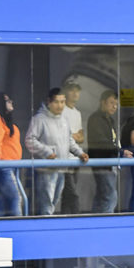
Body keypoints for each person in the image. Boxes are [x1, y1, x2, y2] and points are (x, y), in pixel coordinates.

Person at [24, 87, 89, 216]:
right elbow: (29, 140)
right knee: (46, 202)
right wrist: (47, 152)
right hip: (47, 169)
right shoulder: (39, 119)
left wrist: (79, 153)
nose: (60, 105)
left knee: (54, 200)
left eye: (62, 102)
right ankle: (45, 225)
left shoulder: (64, 120)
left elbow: (69, 140)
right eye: (57, 102)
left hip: (62, 167)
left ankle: (48, 224)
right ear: (49, 102)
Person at [86, 89, 130, 213]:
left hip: (110, 163)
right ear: (102, 103)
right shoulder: (96, 119)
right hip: (102, 163)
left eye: (116, 104)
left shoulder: (109, 120)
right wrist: (120, 151)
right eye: (111, 103)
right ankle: (105, 223)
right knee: (110, 196)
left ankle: (95, 222)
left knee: (102, 195)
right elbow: (102, 142)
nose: (114, 106)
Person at [60, 81, 84, 214]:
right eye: (72, 90)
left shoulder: (77, 113)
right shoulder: (62, 111)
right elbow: (63, 135)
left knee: (67, 195)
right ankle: (77, 218)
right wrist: (73, 136)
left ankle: (64, 218)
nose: (75, 93)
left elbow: (81, 136)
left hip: (76, 157)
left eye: (77, 91)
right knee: (73, 193)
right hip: (64, 158)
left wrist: (73, 136)